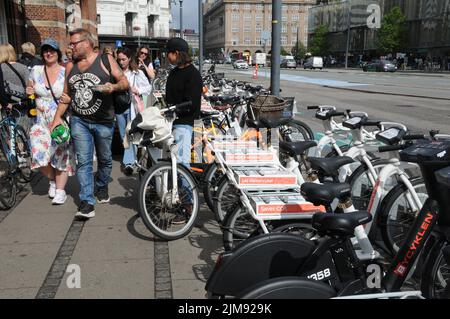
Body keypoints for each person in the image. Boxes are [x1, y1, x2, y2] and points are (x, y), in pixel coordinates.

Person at [50, 28, 129, 220]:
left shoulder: (105, 60)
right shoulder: (70, 66)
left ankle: (101, 185)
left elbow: (124, 82)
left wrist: (113, 86)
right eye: (71, 44)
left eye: (74, 43)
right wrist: (56, 118)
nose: (71, 47)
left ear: (87, 43)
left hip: (104, 121)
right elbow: (67, 95)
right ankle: (86, 202)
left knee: (105, 159)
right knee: (83, 161)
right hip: (79, 120)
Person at [26, 38, 75, 204]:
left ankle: (60, 191)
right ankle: (52, 180)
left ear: (58, 53)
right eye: (46, 51)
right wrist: (29, 90)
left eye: (52, 50)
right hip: (40, 120)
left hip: (59, 119)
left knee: (61, 154)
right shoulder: (35, 70)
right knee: (38, 154)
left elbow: (71, 93)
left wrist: (69, 97)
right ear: (42, 54)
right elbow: (30, 88)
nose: (49, 53)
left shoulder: (65, 71)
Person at [164, 37, 203, 223]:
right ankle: (182, 200)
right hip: (173, 122)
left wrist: (175, 108)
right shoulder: (173, 73)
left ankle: (189, 207)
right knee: (175, 163)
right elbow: (169, 97)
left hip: (185, 123)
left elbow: (193, 103)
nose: (167, 57)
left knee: (182, 165)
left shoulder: (193, 74)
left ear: (177, 53)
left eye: (169, 53)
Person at [116, 47, 151, 175]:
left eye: (123, 59)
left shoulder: (136, 73)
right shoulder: (115, 72)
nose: (121, 62)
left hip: (132, 106)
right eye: (119, 59)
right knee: (123, 135)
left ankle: (128, 163)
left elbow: (148, 88)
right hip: (119, 107)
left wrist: (138, 90)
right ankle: (132, 158)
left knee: (130, 133)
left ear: (129, 59)